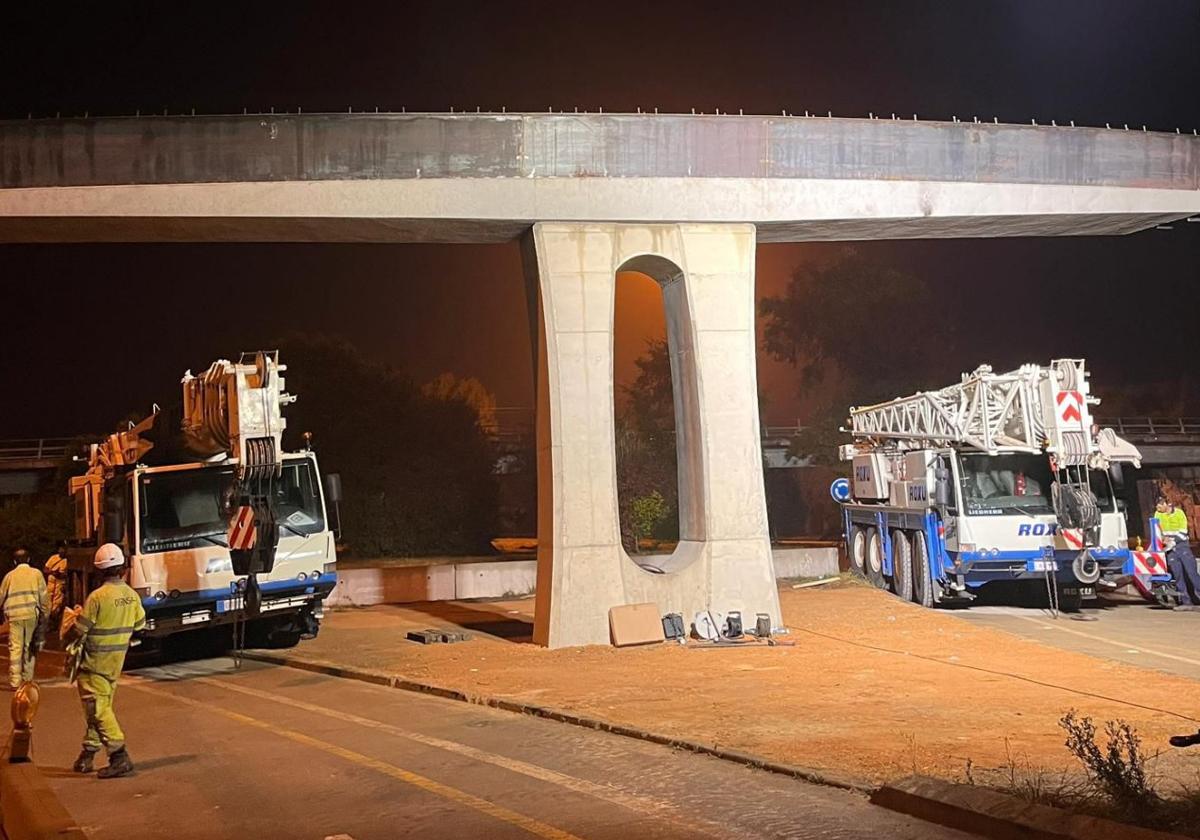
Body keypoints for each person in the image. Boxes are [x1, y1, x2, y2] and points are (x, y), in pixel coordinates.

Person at [67, 543, 145, 778]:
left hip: (94, 664)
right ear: (122, 568)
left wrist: (70, 622)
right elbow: (139, 626)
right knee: (99, 709)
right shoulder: (131, 596)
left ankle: (119, 755)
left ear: (99, 571)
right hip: (115, 664)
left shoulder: (97, 597)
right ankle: (87, 755)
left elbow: (79, 631)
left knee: (98, 710)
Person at [0, 548, 49, 689]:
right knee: (29, 646)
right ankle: (28, 680)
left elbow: (1, 595)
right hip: (31, 615)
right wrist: (45, 615)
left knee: (15, 648)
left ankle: (15, 681)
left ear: (15, 561)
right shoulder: (36, 574)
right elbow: (44, 597)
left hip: (14, 616)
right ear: (28, 560)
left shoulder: (9, 576)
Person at [1155, 496, 1200, 610]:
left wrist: (1172, 542)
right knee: (1178, 575)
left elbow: (1183, 532)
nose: (1157, 507)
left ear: (1167, 504)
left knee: (1192, 574)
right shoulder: (1158, 514)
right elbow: (1157, 530)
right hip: (1170, 550)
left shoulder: (1179, 514)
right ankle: (1186, 602)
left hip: (1182, 547)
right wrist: (1163, 540)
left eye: (1160, 505)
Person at [44, 541, 69, 630]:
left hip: (59, 583)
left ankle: (53, 624)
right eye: (60, 549)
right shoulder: (53, 558)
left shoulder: (67, 561)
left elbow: (66, 574)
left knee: (56, 605)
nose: (61, 551)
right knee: (48, 603)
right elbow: (45, 569)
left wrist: (59, 574)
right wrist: (53, 572)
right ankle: (48, 623)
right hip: (51, 584)